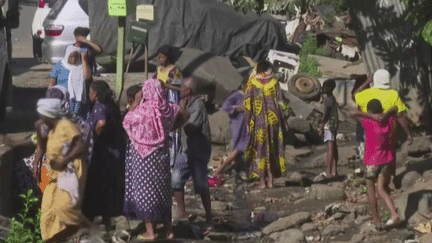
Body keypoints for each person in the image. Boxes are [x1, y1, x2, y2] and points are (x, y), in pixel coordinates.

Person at [123, 79, 188, 241]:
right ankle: (168, 231)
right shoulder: (168, 109)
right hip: (161, 156)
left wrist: (136, 103)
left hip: (142, 158)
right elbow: (185, 114)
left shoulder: (140, 111)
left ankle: (150, 231)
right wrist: (171, 128)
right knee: (162, 193)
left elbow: (126, 122)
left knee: (145, 192)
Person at [36, 98, 89, 243]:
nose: (40, 118)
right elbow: (42, 146)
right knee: (47, 210)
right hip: (53, 174)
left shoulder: (65, 125)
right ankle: (51, 239)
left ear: (49, 115)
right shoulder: (49, 129)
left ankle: (82, 230)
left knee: (64, 209)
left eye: (42, 115)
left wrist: (64, 161)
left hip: (68, 172)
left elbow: (80, 146)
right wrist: (36, 163)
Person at [353, 69, 413, 185]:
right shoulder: (393, 93)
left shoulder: (365, 94)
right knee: (390, 152)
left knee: (369, 153)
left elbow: (355, 95)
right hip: (390, 128)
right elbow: (400, 116)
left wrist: (366, 82)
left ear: (374, 80)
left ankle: (372, 180)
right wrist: (408, 133)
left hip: (371, 129)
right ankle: (390, 179)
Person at [172, 77, 213, 234]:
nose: (180, 89)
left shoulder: (197, 106)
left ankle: (209, 218)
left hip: (198, 153)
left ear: (188, 91)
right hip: (186, 150)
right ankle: (182, 214)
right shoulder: (188, 104)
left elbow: (190, 129)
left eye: (182, 87)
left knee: (201, 185)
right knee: (176, 179)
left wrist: (182, 112)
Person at [82, 81, 126, 229]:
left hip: (103, 151)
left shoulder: (99, 106)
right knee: (110, 184)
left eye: (90, 92)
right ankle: (108, 216)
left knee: (98, 183)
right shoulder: (112, 105)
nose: (89, 95)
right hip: (116, 150)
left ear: (96, 94)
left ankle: (95, 217)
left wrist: (95, 136)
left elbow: (101, 123)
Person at [351, 99, 400, 228]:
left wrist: (370, 115)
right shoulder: (389, 120)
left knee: (371, 191)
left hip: (372, 161)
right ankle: (394, 214)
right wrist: (384, 114)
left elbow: (352, 113)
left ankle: (377, 221)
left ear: (370, 111)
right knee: (381, 189)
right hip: (386, 159)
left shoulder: (367, 121)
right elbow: (395, 108)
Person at [243, 61, 289, 189]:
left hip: (259, 122)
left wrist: (247, 123)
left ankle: (262, 182)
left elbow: (247, 106)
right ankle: (271, 181)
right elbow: (282, 103)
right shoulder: (275, 83)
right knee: (273, 149)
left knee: (261, 150)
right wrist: (285, 119)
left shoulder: (252, 84)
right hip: (274, 121)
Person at [152, 45, 183, 167]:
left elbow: (181, 88)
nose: (160, 59)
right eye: (159, 57)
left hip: (171, 101)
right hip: (159, 103)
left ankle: (172, 160)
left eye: (163, 57)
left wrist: (165, 85)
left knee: (172, 131)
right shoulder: (158, 69)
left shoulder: (175, 71)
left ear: (168, 57)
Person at [213, 81, 249, 180]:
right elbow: (225, 106)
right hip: (237, 124)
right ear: (243, 85)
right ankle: (219, 170)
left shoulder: (247, 96)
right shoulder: (236, 95)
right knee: (238, 148)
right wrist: (236, 108)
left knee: (240, 149)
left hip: (244, 125)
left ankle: (238, 170)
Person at [48, 45, 92, 119]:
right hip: (63, 97)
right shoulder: (60, 65)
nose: (73, 59)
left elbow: (88, 78)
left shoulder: (81, 66)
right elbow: (52, 80)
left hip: (78, 100)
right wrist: (50, 92)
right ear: (67, 55)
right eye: (71, 57)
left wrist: (84, 60)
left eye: (76, 57)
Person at [318, 79, 339, 179]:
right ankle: (334, 170)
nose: (324, 88)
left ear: (330, 88)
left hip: (329, 124)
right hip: (333, 123)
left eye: (325, 86)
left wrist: (322, 125)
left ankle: (328, 171)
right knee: (333, 146)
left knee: (329, 147)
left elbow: (326, 114)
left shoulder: (328, 99)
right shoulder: (332, 98)